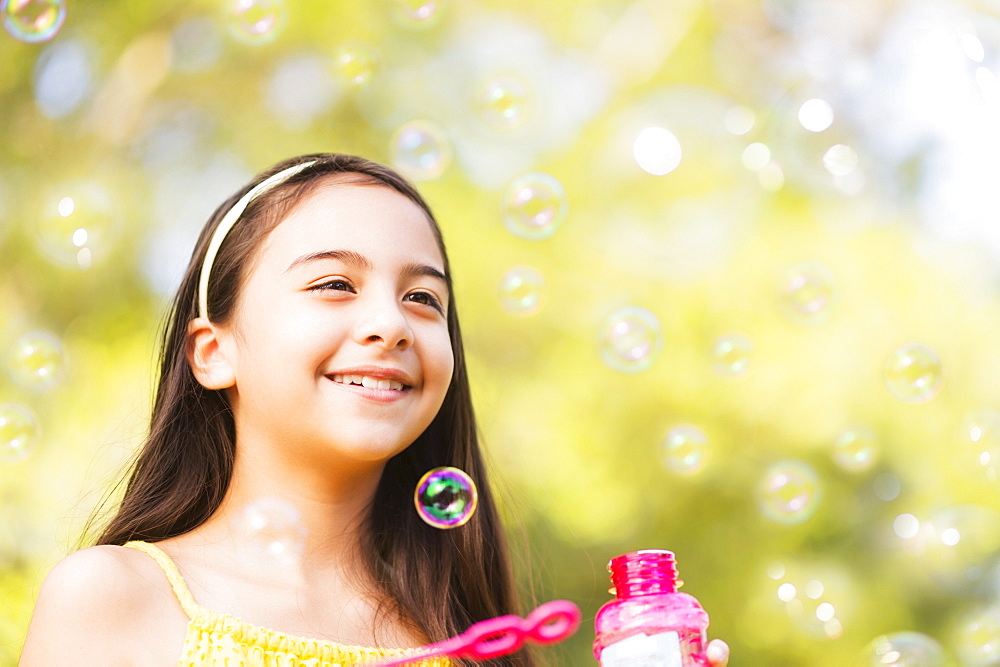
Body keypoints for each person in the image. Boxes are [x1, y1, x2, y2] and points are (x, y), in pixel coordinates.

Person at [19, 153, 730, 666]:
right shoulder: (114, 597)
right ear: (213, 351)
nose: (391, 324)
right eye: (334, 283)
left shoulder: (469, 639)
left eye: (424, 298)